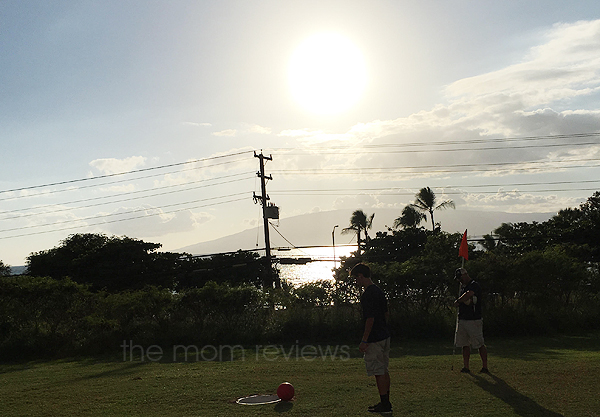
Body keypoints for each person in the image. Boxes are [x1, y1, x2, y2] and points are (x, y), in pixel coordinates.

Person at [350, 263, 392, 414]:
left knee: (378, 371)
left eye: (356, 278)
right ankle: (386, 401)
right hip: (384, 335)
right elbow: (386, 313)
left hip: (374, 338)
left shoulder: (368, 294)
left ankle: (384, 404)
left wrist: (364, 339)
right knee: (384, 369)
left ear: (361, 276)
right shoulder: (379, 291)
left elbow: (370, 318)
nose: (356, 282)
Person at [453, 267, 489, 374]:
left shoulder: (474, 284)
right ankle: (466, 367)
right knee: (465, 344)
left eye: (460, 278)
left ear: (465, 275)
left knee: (479, 343)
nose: (459, 280)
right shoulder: (462, 287)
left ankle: (485, 367)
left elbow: (469, 294)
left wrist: (458, 301)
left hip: (474, 320)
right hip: (463, 318)